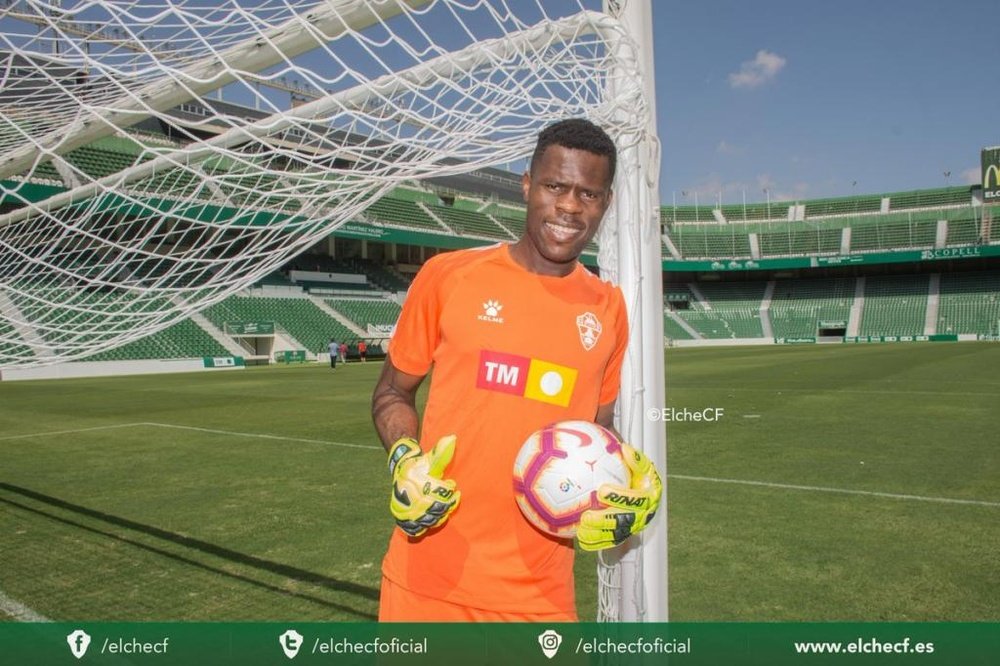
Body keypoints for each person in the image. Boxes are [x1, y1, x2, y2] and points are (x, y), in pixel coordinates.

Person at [370, 118, 662, 622]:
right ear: (527, 185)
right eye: (555, 186)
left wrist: (629, 491)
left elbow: (598, 431)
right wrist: (404, 457)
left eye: (588, 194)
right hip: (426, 584)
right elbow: (392, 393)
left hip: (539, 600)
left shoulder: (608, 307)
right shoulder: (448, 276)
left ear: (606, 203)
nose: (569, 206)